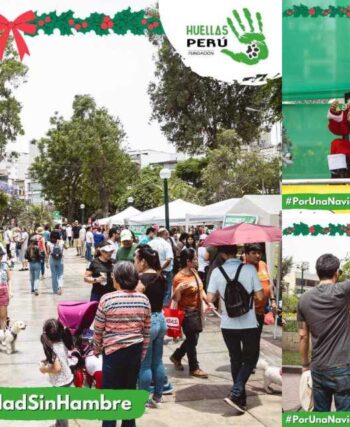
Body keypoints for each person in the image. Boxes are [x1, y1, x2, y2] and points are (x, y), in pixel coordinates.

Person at [93, 262, 151, 427]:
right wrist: (142, 352)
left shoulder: (107, 299)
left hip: (113, 353)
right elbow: (146, 330)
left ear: (118, 279)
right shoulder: (143, 299)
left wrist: (96, 348)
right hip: (134, 351)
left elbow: (98, 328)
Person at [207, 245, 263, 413]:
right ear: (236, 252)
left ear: (223, 254)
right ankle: (236, 393)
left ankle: (240, 400)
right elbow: (260, 297)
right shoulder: (249, 269)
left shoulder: (217, 272)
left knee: (235, 359)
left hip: (228, 324)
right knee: (251, 359)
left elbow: (210, 297)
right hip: (249, 323)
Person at [298, 254, 350, 411]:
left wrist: (305, 365)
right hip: (342, 366)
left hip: (318, 367)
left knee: (321, 417)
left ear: (317, 272)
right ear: (337, 273)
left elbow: (303, 336)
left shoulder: (304, 299)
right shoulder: (342, 290)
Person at [134, 245, 166, 408]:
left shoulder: (143, 279)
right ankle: (158, 395)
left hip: (148, 322)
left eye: (136, 258)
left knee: (145, 364)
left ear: (143, 262)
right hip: (161, 318)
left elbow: (135, 300)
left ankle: (143, 398)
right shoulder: (161, 277)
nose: (134, 261)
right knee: (158, 362)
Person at [170, 248, 209, 379]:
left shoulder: (194, 272)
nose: (197, 261)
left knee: (194, 339)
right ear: (188, 261)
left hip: (197, 310)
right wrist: (179, 290)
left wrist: (208, 301)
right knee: (192, 340)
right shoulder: (178, 277)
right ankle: (194, 367)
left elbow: (201, 288)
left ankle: (177, 356)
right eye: (195, 259)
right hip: (186, 312)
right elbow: (176, 299)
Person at [39, 318, 74, 427]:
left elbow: (57, 368)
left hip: (61, 383)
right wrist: (47, 360)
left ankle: (62, 425)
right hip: (66, 379)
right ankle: (58, 424)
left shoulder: (53, 348)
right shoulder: (62, 342)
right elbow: (60, 359)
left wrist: (44, 370)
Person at [244, 244, 277, 342]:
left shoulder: (263, 264)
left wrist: (273, 300)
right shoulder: (243, 268)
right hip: (248, 313)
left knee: (256, 340)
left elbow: (269, 284)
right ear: (247, 255)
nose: (257, 256)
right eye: (253, 253)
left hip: (261, 312)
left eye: (259, 253)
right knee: (249, 341)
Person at [149, 228, 174, 307]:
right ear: (165, 234)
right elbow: (169, 259)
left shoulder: (150, 243)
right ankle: (164, 309)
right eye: (167, 234)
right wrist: (160, 269)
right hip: (165, 271)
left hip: (152, 272)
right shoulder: (166, 244)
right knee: (166, 291)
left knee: (154, 290)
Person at [47, 231, 65, 295]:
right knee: (60, 274)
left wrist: (46, 261)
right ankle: (60, 286)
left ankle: (55, 290)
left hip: (52, 259)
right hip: (60, 259)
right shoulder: (62, 242)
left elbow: (48, 252)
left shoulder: (49, 243)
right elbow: (64, 249)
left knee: (54, 275)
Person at [0, 244, 12, 331]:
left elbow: (9, 279)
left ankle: (2, 334)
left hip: (3, 291)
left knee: (2, 315)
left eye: (1, 255)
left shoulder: (5, 265)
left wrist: (10, 291)